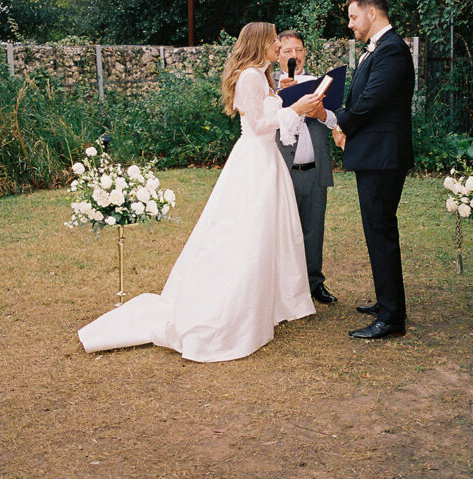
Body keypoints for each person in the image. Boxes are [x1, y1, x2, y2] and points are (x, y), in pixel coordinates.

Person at [78, 22, 325, 362]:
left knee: (268, 235)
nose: (277, 45)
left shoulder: (263, 76)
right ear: (259, 43)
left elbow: (277, 126)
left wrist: (298, 108)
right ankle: (232, 308)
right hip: (254, 162)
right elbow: (258, 126)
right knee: (247, 234)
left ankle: (265, 303)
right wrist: (293, 110)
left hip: (268, 162)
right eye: (273, 41)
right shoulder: (251, 77)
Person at [332, 0, 415, 339]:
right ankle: (387, 303)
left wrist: (342, 123)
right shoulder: (378, 49)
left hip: (383, 157)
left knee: (380, 233)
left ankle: (391, 318)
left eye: (353, 17)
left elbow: (370, 102)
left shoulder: (393, 49)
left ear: (371, 13)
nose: (350, 24)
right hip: (374, 155)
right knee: (377, 231)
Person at [273, 30, 338, 305]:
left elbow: (335, 120)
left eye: (298, 50)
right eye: (287, 51)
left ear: (305, 53)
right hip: (282, 171)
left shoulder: (317, 83)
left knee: (314, 229)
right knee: (282, 230)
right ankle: (282, 286)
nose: (294, 56)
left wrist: (321, 113)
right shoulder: (269, 86)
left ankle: (314, 283)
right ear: (277, 55)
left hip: (314, 169)